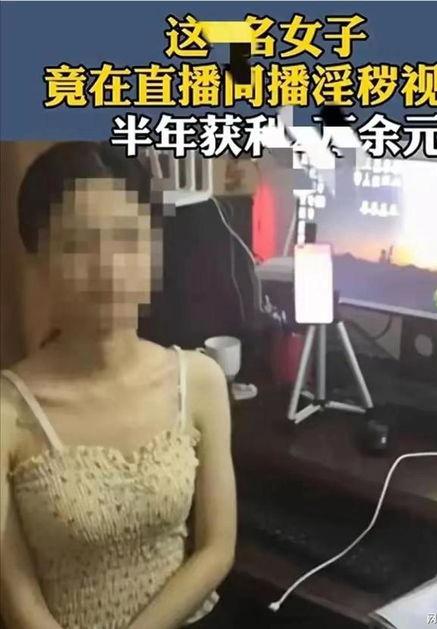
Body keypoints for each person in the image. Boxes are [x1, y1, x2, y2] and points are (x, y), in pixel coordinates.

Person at [0, 143, 237, 629]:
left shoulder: (200, 380)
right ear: (39, 261)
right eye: (78, 243)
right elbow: (17, 597)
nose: (108, 266)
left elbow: (216, 549)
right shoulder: (8, 410)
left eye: (129, 237)